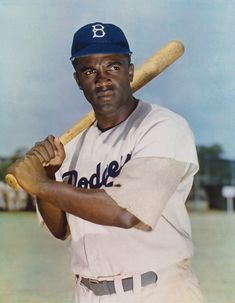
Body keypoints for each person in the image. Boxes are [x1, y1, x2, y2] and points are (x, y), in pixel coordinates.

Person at [7, 22, 203, 302]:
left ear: (130, 71)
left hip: (157, 290)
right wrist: (49, 176)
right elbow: (60, 229)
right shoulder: (71, 146)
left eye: (113, 66)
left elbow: (125, 211)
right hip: (87, 292)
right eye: (90, 71)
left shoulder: (163, 128)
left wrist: (40, 185)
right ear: (78, 80)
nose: (102, 80)